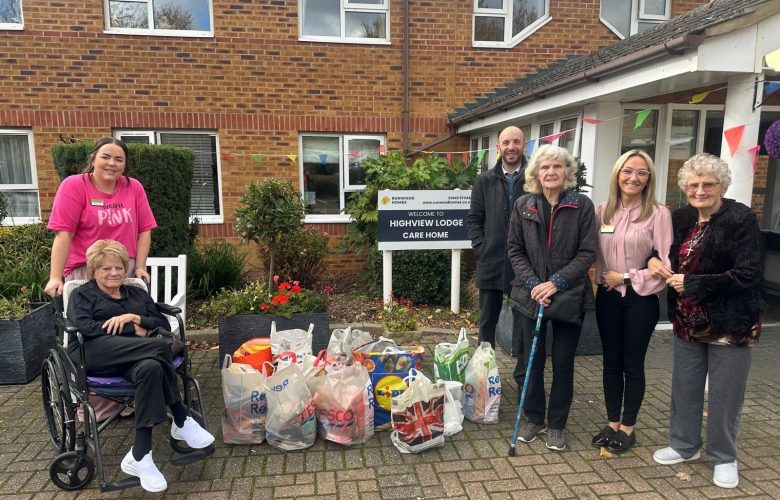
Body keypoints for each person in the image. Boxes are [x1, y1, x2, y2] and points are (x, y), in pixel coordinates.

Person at [648, 153, 765, 489]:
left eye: (708, 184)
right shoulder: (681, 217)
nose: (700, 190)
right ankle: (684, 446)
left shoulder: (740, 218)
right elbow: (661, 251)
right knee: (685, 387)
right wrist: (654, 261)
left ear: (721, 186)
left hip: (732, 322)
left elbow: (748, 273)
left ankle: (724, 456)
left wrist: (696, 283)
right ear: (685, 187)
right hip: (688, 321)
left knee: (725, 394)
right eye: (693, 184)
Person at [68, 240, 214, 493]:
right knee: (159, 348)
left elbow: (162, 324)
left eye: (118, 267)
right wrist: (132, 328)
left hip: (136, 355)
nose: (114, 273)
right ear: (93, 271)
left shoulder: (136, 292)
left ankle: (140, 454)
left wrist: (134, 317)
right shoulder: (83, 294)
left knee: (151, 368)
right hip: (94, 352)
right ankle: (180, 416)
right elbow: (85, 329)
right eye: (106, 269)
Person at [507, 144, 597, 451]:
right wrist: (535, 284)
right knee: (530, 362)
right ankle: (535, 417)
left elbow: (587, 252)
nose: (551, 172)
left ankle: (557, 424)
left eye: (557, 167)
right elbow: (514, 249)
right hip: (529, 295)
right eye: (545, 167)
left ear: (567, 172)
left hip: (569, 295)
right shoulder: (523, 205)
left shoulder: (581, 205)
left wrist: (555, 282)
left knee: (562, 362)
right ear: (535, 173)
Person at [591, 150, 672, 454]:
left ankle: (628, 427)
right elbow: (593, 254)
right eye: (628, 171)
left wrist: (624, 277)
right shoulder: (602, 212)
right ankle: (612, 423)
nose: (633, 177)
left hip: (640, 298)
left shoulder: (658, 214)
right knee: (611, 361)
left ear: (649, 178)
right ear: (617, 173)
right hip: (607, 298)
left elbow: (665, 265)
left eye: (641, 172)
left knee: (632, 363)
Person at [45, 137, 156, 297]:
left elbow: (145, 230)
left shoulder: (134, 187)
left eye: (119, 159)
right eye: (105, 157)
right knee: (89, 320)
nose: (112, 163)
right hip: (86, 270)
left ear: (125, 165)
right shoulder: (74, 186)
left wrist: (140, 267)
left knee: (126, 319)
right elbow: (64, 233)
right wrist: (55, 277)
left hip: (123, 271)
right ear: (93, 159)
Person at [467, 126, 528, 348]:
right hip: (491, 261)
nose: (511, 147)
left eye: (516, 142)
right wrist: (481, 248)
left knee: (524, 325)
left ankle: (524, 379)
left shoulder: (535, 179)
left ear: (524, 145)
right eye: (506, 143)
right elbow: (474, 219)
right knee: (486, 324)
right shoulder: (484, 181)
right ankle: (485, 376)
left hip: (525, 263)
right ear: (498, 148)